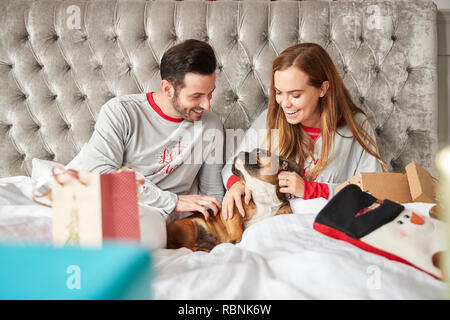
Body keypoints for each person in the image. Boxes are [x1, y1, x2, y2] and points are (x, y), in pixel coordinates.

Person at [76, 39, 225, 249]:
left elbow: (212, 192)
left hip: (157, 218)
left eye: (210, 93)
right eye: (196, 96)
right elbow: (99, 173)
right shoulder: (121, 112)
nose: (207, 104)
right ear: (168, 88)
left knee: (132, 240)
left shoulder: (211, 125)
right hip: (115, 201)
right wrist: (172, 201)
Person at [221, 42, 386, 220]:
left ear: (322, 89)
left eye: (295, 95)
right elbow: (233, 165)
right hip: (273, 224)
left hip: (328, 225)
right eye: (278, 92)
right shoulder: (270, 119)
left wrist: (310, 190)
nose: (284, 103)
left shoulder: (356, 127)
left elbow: (373, 190)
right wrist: (236, 184)